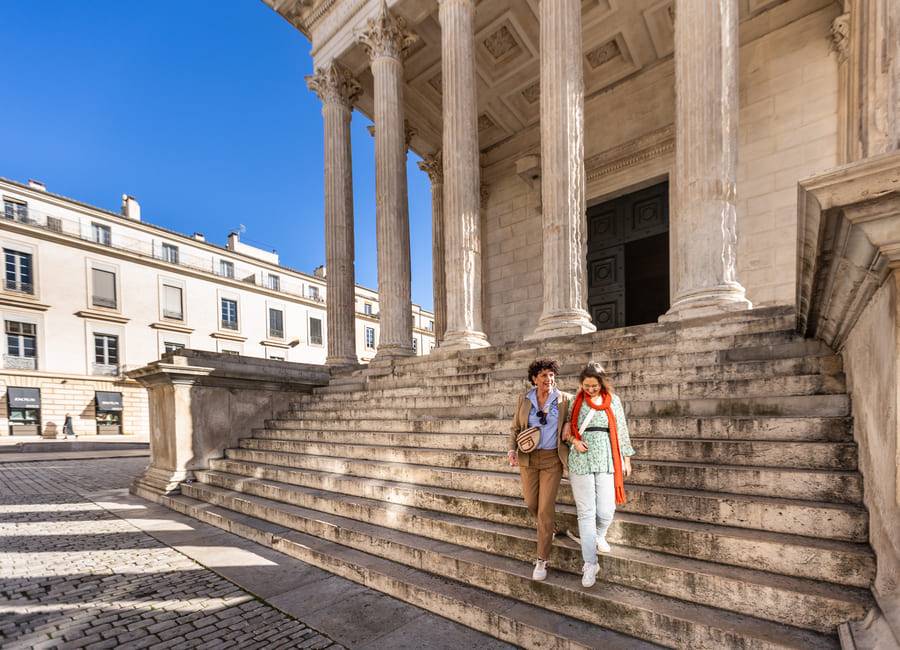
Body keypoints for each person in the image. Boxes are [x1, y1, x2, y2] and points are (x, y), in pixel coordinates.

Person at [563, 362, 635, 588]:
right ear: (581, 384)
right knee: (586, 512)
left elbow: (621, 429)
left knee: (605, 509)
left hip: (606, 456)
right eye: (586, 385)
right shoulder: (576, 401)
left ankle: (599, 535)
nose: (591, 389)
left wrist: (626, 458)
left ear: (602, 383)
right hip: (581, 459)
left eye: (594, 385)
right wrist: (575, 441)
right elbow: (566, 432)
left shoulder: (614, 401)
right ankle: (590, 563)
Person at [508, 358, 573, 581]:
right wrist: (511, 449)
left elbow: (576, 417)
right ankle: (549, 528)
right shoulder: (524, 399)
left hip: (552, 460)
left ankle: (542, 559)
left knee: (545, 508)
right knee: (532, 503)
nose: (549, 379)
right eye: (544, 375)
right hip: (528, 458)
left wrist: (568, 424)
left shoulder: (564, 400)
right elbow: (516, 427)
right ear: (534, 379)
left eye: (552, 375)